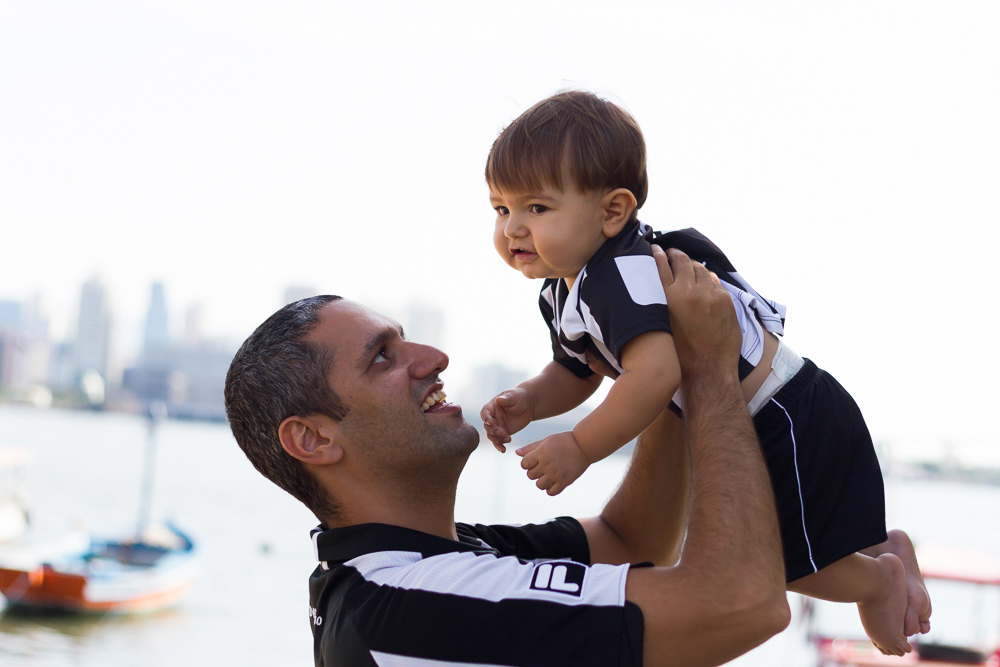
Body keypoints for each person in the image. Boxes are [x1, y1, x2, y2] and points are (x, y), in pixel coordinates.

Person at [480, 90, 931, 656]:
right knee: (781, 548)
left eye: (536, 209)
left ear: (613, 212)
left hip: (786, 410)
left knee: (775, 564)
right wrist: (529, 400)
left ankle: (880, 576)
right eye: (501, 209)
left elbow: (654, 372)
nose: (513, 229)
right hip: (752, 417)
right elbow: (577, 370)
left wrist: (580, 445)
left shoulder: (619, 274)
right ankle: (882, 548)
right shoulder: (564, 290)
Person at [224, 247, 790, 667]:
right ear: (313, 440)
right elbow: (741, 603)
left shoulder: (427, 566)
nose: (434, 357)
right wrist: (711, 368)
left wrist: (659, 356)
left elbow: (631, 542)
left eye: (405, 339)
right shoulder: (410, 608)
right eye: (382, 357)